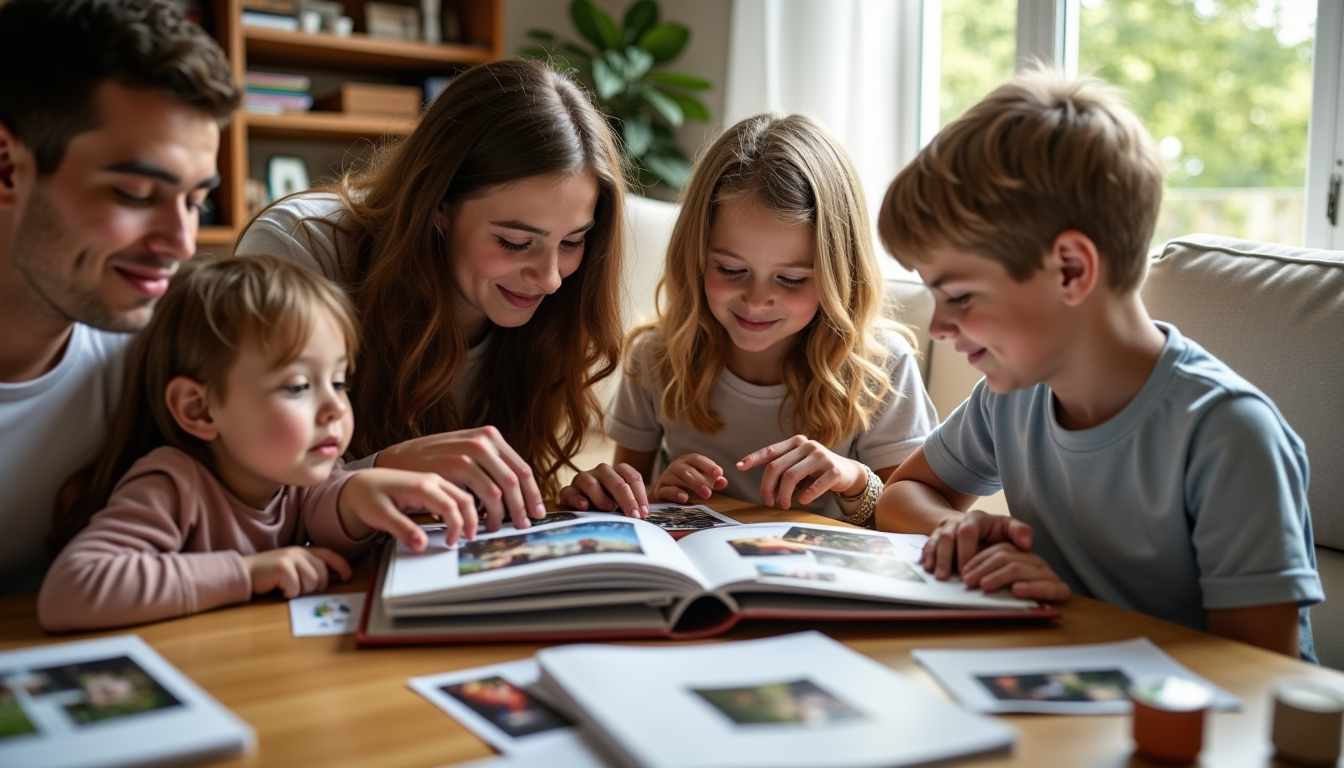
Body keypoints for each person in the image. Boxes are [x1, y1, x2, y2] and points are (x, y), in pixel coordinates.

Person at [874, 67, 1323, 659]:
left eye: (958, 296)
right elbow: (900, 495)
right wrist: (958, 534)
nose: (937, 325)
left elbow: (1260, 674)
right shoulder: (1011, 394)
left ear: (1070, 270)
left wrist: (1076, 621)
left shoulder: (1228, 435)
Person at [235, 58, 630, 530]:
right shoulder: (297, 248)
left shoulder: (554, 307)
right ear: (440, 205)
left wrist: (565, 500)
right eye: (514, 242)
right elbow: (245, 493)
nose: (550, 279)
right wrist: (389, 469)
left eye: (572, 242)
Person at [39, 256, 477, 631]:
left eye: (340, 381)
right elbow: (69, 591)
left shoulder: (295, 475)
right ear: (199, 410)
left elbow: (328, 504)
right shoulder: (172, 484)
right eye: (298, 386)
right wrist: (246, 574)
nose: (334, 410)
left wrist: (362, 492)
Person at [560, 114, 938, 525]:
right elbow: (634, 499)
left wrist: (853, 479)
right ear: (696, 258)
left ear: (839, 273)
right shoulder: (656, 356)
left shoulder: (882, 368)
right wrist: (656, 493)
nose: (756, 301)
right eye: (731, 270)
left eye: (791, 279)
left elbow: (903, 524)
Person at [0, 0, 239, 595]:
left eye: (194, 201)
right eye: (135, 193)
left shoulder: (150, 353)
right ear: (7, 168)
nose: (180, 243)